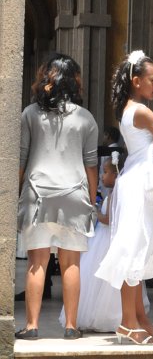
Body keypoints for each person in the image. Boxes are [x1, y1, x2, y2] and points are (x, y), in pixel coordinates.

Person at [95, 50, 153, 345]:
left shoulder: (127, 109)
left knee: (138, 250)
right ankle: (127, 322)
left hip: (137, 178)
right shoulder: (142, 112)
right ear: (136, 81)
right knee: (133, 251)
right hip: (142, 183)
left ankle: (140, 320)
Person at [16, 54, 98, 340]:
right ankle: (71, 327)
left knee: (37, 262)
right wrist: (92, 200)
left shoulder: (30, 113)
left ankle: (31, 326)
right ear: (74, 81)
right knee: (70, 262)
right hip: (74, 193)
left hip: (37, 193)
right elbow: (91, 165)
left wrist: (16, 193)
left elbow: (21, 160)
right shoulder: (85, 118)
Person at [59, 154, 150, 332]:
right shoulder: (117, 192)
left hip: (107, 239)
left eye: (106, 172)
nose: (102, 176)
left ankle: (106, 315)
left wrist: (95, 213)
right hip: (105, 237)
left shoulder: (116, 193)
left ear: (116, 175)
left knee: (101, 278)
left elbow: (109, 219)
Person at [97, 125, 121, 200]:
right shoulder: (117, 149)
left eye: (104, 135)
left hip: (107, 188)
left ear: (108, 136)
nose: (103, 138)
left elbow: (106, 170)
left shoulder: (109, 151)